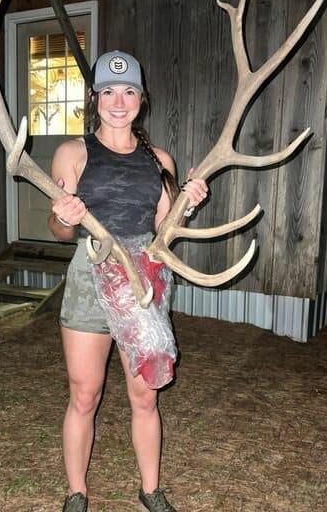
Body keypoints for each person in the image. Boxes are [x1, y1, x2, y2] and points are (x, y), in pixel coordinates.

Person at [49, 50, 208, 512]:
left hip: (141, 282)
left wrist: (187, 203)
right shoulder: (73, 154)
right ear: (94, 98)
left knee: (145, 394)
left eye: (129, 91)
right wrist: (64, 217)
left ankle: (150, 490)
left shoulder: (160, 160)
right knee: (85, 394)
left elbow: (164, 231)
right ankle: (76, 492)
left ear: (142, 98)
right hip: (90, 275)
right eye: (109, 92)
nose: (119, 102)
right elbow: (59, 230)